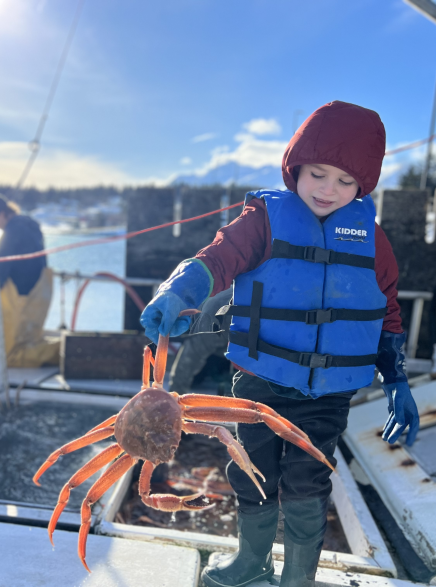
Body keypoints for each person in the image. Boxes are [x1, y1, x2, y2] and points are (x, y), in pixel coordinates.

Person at [140, 101, 420, 587]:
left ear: (362, 187)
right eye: (318, 173)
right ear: (296, 168)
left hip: (327, 394)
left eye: (345, 181)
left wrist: (397, 380)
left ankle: (297, 578)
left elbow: (387, 312)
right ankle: (252, 562)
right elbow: (218, 257)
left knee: (308, 481)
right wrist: (179, 290)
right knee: (249, 468)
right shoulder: (263, 221)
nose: (329, 189)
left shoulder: (374, 242)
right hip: (258, 382)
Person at [0, 190, 59, 368]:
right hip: (39, 294)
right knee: (30, 339)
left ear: (0, 214)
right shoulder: (31, 225)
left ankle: (63, 351)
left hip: (21, 298)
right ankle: (63, 349)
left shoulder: (12, 232)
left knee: (10, 355)